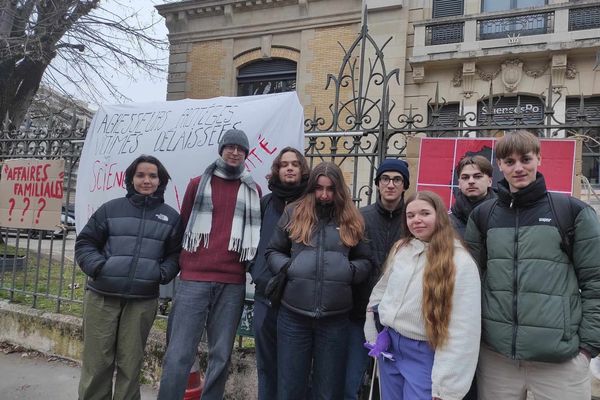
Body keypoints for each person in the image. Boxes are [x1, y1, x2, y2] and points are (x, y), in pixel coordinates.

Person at [464, 130, 600, 399]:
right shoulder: (483, 215)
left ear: (538, 159)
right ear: (500, 165)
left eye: (525, 159)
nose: (518, 168)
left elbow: (595, 282)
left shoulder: (571, 211)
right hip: (497, 360)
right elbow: (470, 281)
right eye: (510, 161)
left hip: (560, 361)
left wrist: (587, 348)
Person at [158, 129, 261, 400]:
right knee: (179, 352)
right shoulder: (197, 183)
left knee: (221, 355)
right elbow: (184, 226)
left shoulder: (253, 189)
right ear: (221, 150)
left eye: (241, 149)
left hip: (232, 282)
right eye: (230, 147)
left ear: (246, 154)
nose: (235, 152)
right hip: (194, 279)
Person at [75, 154, 182, 400]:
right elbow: (85, 244)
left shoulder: (171, 217)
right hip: (102, 297)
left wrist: (161, 273)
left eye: (152, 176)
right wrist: (100, 267)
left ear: (160, 180)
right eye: (141, 175)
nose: (147, 180)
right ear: (131, 179)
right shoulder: (110, 210)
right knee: (97, 364)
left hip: (142, 301)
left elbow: (175, 255)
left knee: (130, 365)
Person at [266, 161, 372, 400]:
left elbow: (365, 260)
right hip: (293, 316)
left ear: (339, 190)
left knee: (327, 391)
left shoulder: (352, 217)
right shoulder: (294, 211)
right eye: (320, 188)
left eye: (331, 189)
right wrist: (290, 267)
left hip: (335, 320)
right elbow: (273, 251)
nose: (324, 195)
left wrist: (349, 271)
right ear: (312, 187)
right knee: (290, 389)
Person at [365, 191, 481, 400]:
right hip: (390, 347)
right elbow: (382, 290)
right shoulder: (402, 249)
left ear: (440, 216)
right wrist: (372, 324)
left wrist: (447, 387)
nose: (416, 220)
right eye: (410, 215)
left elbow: (464, 328)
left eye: (424, 213)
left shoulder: (460, 262)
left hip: (424, 352)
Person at [344, 158, 410, 400]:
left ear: (404, 185)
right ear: (377, 183)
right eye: (385, 179)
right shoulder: (360, 217)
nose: (390, 184)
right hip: (360, 313)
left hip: (400, 318)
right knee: (351, 381)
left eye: (397, 179)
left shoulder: (413, 218)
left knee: (392, 386)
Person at [250, 147, 309, 400]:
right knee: (266, 364)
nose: (289, 168)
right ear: (277, 169)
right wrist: (256, 270)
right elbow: (253, 240)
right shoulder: (265, 203)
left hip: (298, 297)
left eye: (295, 164)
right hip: (266, 295)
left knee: (295, 367)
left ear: (302, 169)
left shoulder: (311, 202)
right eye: (284, 164)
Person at [449, 155, 496, 238]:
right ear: (459, 183)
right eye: (465, 177)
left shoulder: (506, 214)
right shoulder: (446, 222)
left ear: (490, 181)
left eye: (477, 176)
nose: (471, 181)